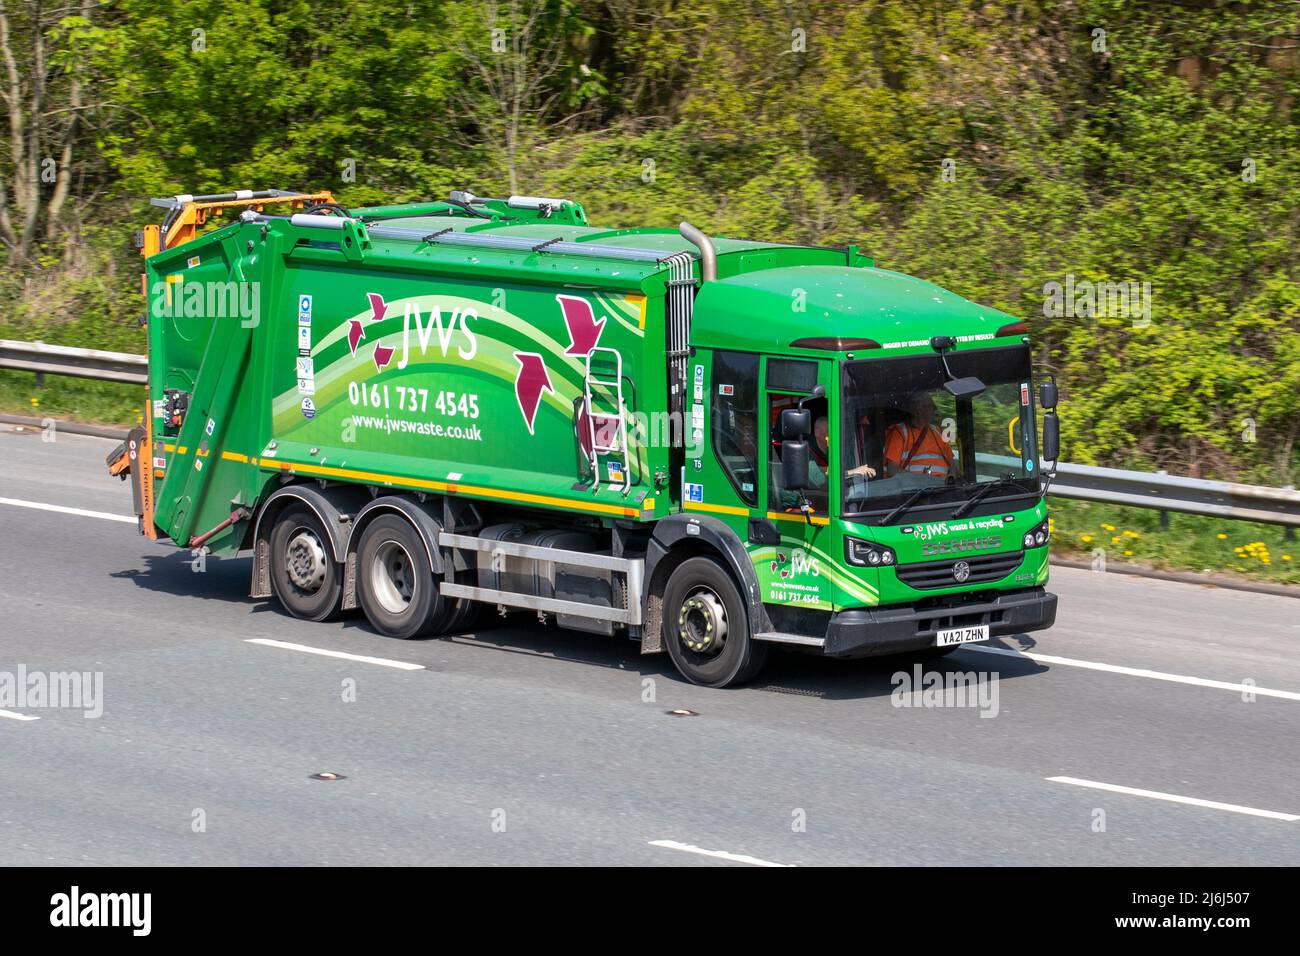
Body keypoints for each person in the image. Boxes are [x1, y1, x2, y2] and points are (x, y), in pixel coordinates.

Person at [881, 391, 954, 478]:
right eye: (930, 407)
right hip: (913, 490)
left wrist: (951, 478)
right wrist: (921, 481)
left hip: (944, 489)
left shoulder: (938, 432)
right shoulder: (899, 432)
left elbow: (952, 465)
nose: (934, 411)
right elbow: (892, 470)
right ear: (917, 410)